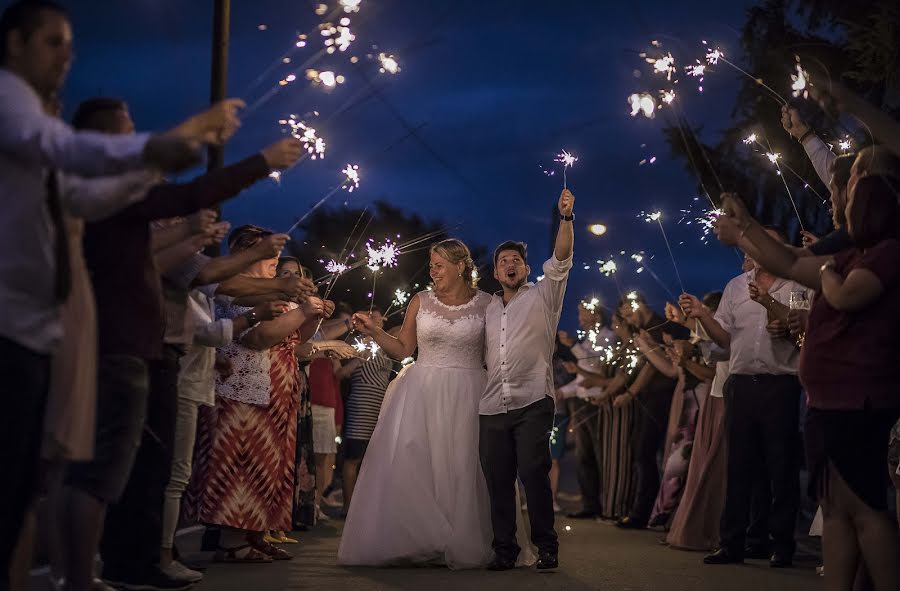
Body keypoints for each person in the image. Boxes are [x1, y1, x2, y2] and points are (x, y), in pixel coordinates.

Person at [0, 2, 204, 581]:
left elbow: (87, 200)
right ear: (14, 43)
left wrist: (156, 172)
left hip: (35, 324)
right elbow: (69, 157)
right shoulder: (11, 104)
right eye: (53, 43)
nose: (68, 56)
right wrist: (160, 147)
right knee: (34, 477)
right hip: (15, 320)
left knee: (24, 483)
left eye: (71, 44)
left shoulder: (41, 127)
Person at [714, 179, 900, 591]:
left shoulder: (883, 254)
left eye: (846, 195)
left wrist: (827, 273)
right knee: (834, 508)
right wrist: (744, 227)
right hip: (828, 398)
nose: (837, 202)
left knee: (865, 508)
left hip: (857, 398)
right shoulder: (850, 254)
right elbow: (791, 260)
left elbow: (844, 293)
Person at [340, 239, 534, 568]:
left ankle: (464, 538)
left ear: (461, 267)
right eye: (431, 265)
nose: (433, 271)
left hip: (470, 390)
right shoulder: (421, 301)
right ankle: (422, 538)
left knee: (465, 463)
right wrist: (374, 331)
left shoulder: (488, 303)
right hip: (421, 390)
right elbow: (402, 349)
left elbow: (500, 350)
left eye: (440, 264)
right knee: (418, 464)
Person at [186, 226, 332, 563]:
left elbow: (296, 338)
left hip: (274, 390)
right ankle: (231, 540)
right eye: (270, 257)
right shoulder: (235, 293)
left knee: (267, 465)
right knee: (241, 464)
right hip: (241, 391)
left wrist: (312, 314)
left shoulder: (266, 293)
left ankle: (254, 532)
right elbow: (258, 338)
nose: (275, 263)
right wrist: (302, 310)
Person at [680, 228, 807, 569]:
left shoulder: (797, 284)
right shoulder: (736, 287)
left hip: (780, 384)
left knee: (781, 467)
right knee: (739, 466)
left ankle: (781, 544)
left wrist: (781, 317)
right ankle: (733, 542)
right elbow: (724, 340)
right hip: (741, 384)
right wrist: (703, 315)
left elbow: (806, 336)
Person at [478, 188, 574, 571]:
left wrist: (565, 217)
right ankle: (505, 550)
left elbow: (563, 256)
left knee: (533, 472)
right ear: (496, 272)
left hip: (533, 399)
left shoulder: (544, 295)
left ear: (526, 268)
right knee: (497, 481)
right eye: (503, 261)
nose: (510, 264)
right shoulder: (485, 308)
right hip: (491, 406)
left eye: (516, 259)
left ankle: (547, 547)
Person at [664, 293, 731, 551]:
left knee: (713, 468)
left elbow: (716, 361)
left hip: (721, 397)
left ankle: (712, 531)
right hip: (715, 397)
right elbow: (713, 351)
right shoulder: (708, 335)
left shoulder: (723, 334)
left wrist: (687, 357)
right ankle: (696, 527)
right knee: (701, 467)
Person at [335, 313, 396, 515]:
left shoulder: (385, 345)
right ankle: (349, 507)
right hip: (361, 408)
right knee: (353, 457)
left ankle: (366, 507)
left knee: (371, 460)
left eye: (380, 318)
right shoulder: (365, 344)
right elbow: (342, 373)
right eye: (375, 317)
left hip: (380, 411)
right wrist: (355, 362)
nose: (380, 320)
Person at [560, 300, 614, 520]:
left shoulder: (607, 337)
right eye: (579, 312)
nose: (580, 317)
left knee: (600, 455)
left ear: (598, 315)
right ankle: (589, 504)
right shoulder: (587, 340)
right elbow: (582, 378)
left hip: (597, 404)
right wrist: (562, 392)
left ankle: (607, 504)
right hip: (581, 404)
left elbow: (594, 367)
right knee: (584, 457)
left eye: (584, 313)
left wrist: (573, 346)